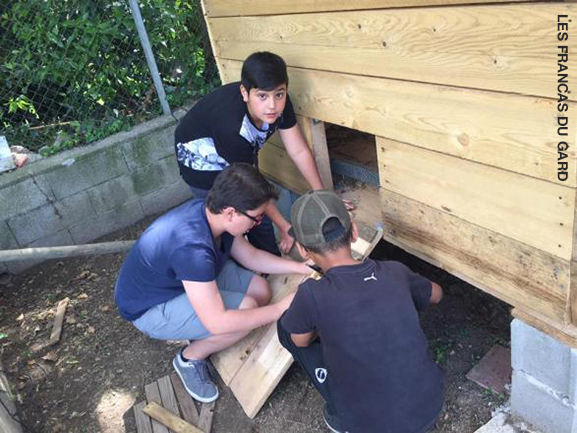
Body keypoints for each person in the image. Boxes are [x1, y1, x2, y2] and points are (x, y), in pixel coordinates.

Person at [114, 163, 311, 403]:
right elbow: (218, 321)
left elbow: (251, 257)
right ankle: (190, 358)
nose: (258, 224)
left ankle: (197, 323)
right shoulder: (193, 249)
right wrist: (280, 310)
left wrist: (299, 267)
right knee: (245, 312)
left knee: (261, 290)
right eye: (256, 218)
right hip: (150, 307)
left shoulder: (214, 215)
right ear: (231, 212)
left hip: (177, 281)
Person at [277, 190, 445, 433]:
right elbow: (436, 294)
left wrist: (323, 323)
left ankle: (340, 412)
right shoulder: (394, 271)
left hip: (370, 426)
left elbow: (299, 341)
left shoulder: (312, 294)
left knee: (286, 327)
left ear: (304, 250)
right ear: (354, 232)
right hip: (429, 405)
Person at [174, 51, 329, 256]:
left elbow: (298, 150)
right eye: (262, 96)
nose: (272, 105)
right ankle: (257, 269)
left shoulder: (280, 103)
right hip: (199, 160)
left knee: (255, 214)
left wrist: (323, 196)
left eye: (279, 94)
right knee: (242, 219)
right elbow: (251, 188)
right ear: (245, 93)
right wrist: (285, 227)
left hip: (228, 149)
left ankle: (268, 263)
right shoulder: (233, 128)